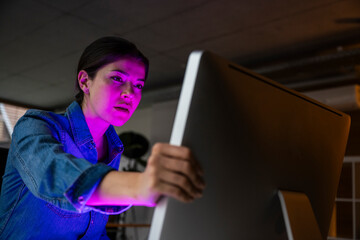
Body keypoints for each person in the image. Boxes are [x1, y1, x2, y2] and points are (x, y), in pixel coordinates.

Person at [0, 36, 205, 239]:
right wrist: (140, 186)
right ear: (84, 82)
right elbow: (52, 173)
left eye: (139, 85)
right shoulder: (35, 125)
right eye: (117, 78)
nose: (129, 93)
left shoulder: (112, 148)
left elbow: (92, 232)